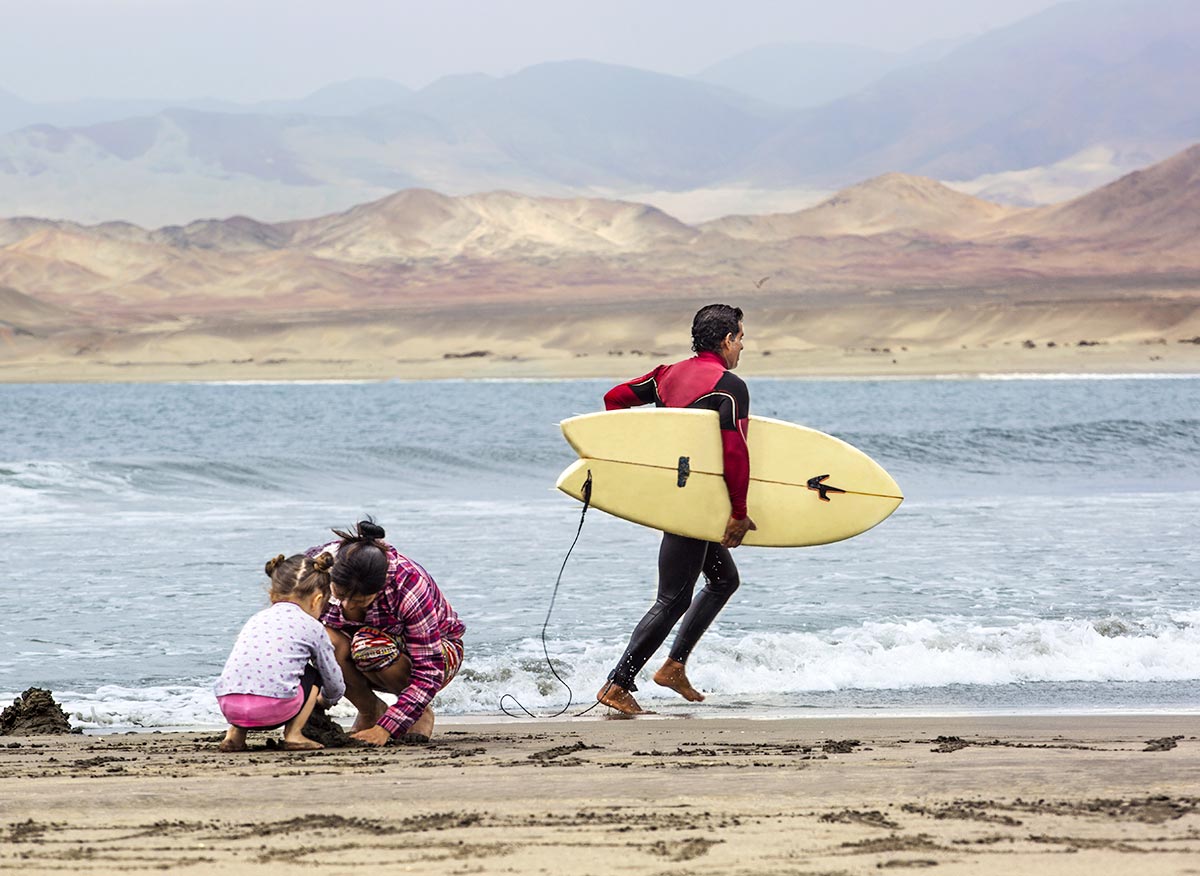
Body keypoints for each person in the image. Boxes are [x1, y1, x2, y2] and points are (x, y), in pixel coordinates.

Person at [597, 303, 756, 714]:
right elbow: (735, 453)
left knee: (723, 580)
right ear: (726, 341)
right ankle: (617, 685)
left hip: (677, 493)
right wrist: (739, 512)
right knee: (672, 598)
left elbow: (614, 399)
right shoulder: (728, 385)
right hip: (696, 501)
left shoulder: (665, 375)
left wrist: (641, 458)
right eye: (740, 338)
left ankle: (674, 667)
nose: (742, 346)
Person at [309, 519, 465, 746]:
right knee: (320, 637)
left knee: (367, 645)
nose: (347, 606)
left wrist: (387, 727)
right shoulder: (318, 566)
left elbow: (428, 671)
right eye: (340, 596)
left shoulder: (408, 584)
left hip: (437, 654)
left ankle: (418, 712)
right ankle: (369, 710)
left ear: (381, 587)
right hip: (357, 649)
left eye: (360, 601)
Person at [215, 552, 345, 751]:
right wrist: (327, 700)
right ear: (317, 600)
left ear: (272, 594)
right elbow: (333, 681)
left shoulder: (256, 619)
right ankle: (294, 735)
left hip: (229, 707)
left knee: (250, 674)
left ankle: (235, 735)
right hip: (274, 711)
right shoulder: (313, 626)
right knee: (314, 674)